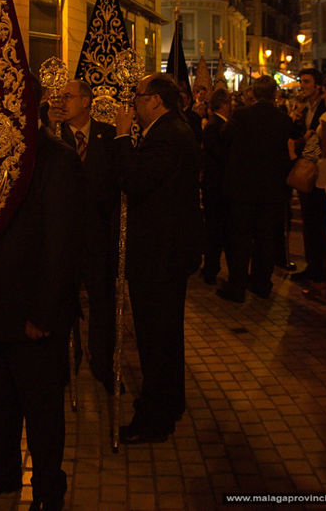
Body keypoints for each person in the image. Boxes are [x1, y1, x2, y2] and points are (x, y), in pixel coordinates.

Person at [0, 79, 84, 511]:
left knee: (43, 411)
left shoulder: (57, 160)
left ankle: (48, 489)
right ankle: (2, 473)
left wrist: (44, 314)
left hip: (33, 313)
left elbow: (62, 243)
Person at [114, 73, 201, 444]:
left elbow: (134, 180)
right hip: (165, 251)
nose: (132, 102)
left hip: (161, 255)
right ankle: (170, 401)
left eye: (137, 96)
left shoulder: (168, 134)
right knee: (165, 335)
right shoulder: (172, 129)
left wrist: (120, 136)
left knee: (156, 338)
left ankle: (156, 417)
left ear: (155, 101)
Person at [49, 79, 119, 393]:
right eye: (59, 96)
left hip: (98, 237)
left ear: (87, 101)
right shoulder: (52, 135)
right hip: (63, 238)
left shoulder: (108, 135)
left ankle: (103, 363)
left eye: (68, 96)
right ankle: (65, 364)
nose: (62, 102)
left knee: (102, 302)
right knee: (63, 300)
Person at [218, 75, 293, 303]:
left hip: (242, 189)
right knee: (265, 240)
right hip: (271, 191)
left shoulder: (241, 116)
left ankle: (237, 286)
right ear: (274, 94)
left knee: (239, 239)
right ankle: (261, 284)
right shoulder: (283, 120)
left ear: (254, 94)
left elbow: (224, 140)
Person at [290, 68, 326, 285]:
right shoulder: (304, 108)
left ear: (318, 86)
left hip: (319, 171)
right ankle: (314, 265)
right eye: (301, 81)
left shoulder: (325, 109)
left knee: (318, 222)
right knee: (310, 221)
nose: (302, 86)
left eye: (306, 82)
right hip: (307, 170)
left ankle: (321, 267)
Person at [200, 87, 232, 285]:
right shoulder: (216, 126)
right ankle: (211, 268)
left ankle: (211, 266)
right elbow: (220, 156)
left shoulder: (217, 125)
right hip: (217, 186)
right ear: (224, 104)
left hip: (216, 185)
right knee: (215, 228)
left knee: (215, 227)